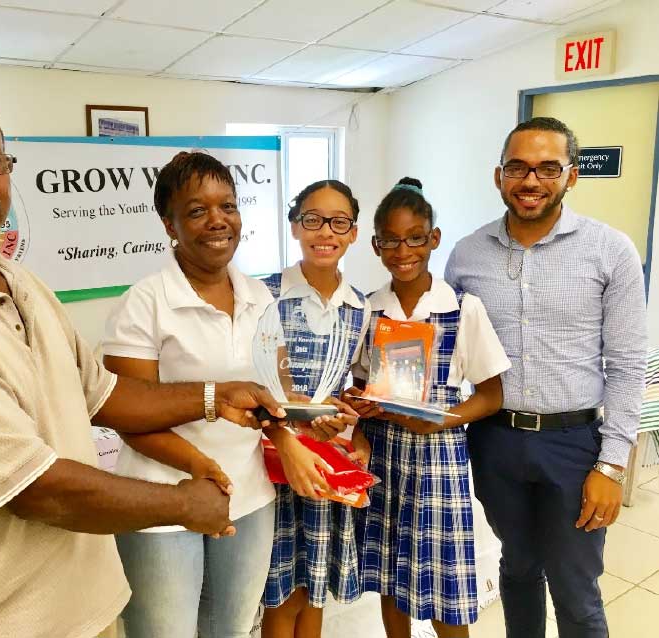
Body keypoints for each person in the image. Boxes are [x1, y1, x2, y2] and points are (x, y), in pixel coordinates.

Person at [0, 88, 285, 638]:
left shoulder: (22, 284)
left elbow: (104, 395)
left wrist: (212, 398)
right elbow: (35, 489)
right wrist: (180, 504)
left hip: (86, 607)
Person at [100, 153, 352, 638]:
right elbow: (128, 417)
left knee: (231, 629)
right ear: (168, 224)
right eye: (197, 210)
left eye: (228, 206)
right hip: (164, 499)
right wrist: (203, 471)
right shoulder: (145, 302)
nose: (218, 220)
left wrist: (312, 416)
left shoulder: (258, 295)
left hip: (250, 497)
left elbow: (277, 391)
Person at [445, 117, 647, 638]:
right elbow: (443, 349)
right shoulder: (467, 256)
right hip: (496, 441)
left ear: (571, 176)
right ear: (498, 175)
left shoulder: (611, 251)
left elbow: (626, 365)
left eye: (547, 168)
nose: (530, 180)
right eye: (518, 167)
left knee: (575, 589)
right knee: (516, 568)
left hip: (575, 445)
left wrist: (613, 464)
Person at [345, 177, 510, 638]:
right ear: (376, 246)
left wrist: (437, 422)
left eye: (415, 237)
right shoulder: (370, 309)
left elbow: (491, 395)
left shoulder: (461, 308)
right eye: (391, 241)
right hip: (383, 457)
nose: (403, 251)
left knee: (445, 583)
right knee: (390, 576)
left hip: (438, 459)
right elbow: (360, 384)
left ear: (433, 238)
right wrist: (360, 417)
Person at [259, 180, 371, 638]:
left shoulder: (359, 307)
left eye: (338, 222)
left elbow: (353, 389)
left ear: (353, 233)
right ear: (294, 226)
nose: (325, 231)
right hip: (271, 456)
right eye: (313, 219)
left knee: (315, 582)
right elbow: (259, 379)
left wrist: (350, 423)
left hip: (325, 459)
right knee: (282, 589)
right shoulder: (262, 294)